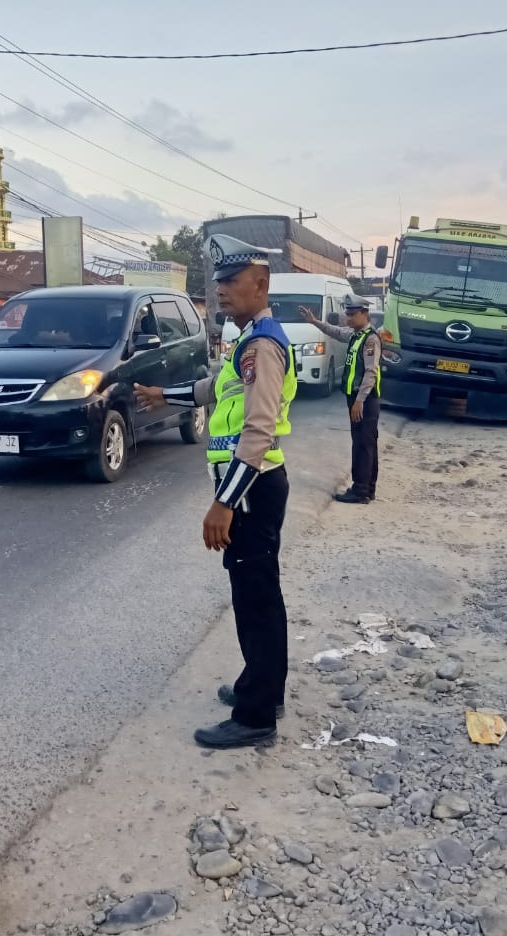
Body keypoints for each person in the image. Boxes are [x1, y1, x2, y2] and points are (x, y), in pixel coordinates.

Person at [134, 234, 298, 750]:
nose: (222, 290)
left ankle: (256, 717)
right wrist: (165, 393)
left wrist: (223, 503)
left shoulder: (264, 345)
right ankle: (263, 689)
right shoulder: (250, 340)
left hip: (252, 489)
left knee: (256, 599)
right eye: (219, 281)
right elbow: (215, 389)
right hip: (253, 488)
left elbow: (259, 432)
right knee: (256, 595)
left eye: (231, 281)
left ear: (260, 283)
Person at [299, 296, 382, 504]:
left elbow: (371, 373)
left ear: (364, 314)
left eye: (353, 314)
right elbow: (335, 332)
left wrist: (360, 401)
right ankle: (367, 489)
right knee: (365, 444)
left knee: (363, 446)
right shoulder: (355, 336)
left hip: (365, 400)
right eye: (347, 314)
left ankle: (361, 491)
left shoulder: (370, 339)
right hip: (356, 398)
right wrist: (315, 321)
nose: (349, 318)